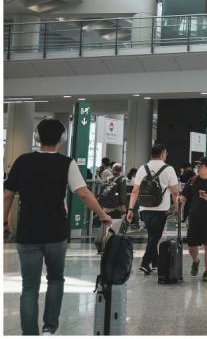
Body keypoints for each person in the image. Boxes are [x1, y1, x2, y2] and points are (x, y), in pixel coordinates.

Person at [3, 119, 113, 336]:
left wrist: (4, 221)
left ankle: (29, 333)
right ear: (62, 140)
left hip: (28, 233)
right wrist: (102, 215)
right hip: (55, 232)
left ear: (37, 137)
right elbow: (83, 193)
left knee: (29, 287)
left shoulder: (22, 161)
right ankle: (49, 328)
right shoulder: (67, 163)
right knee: (55, 279)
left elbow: (7, 194)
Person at [127, 143, 180, 275]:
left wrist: (130, 209)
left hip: (144, 208)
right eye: (166, 153)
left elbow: (135, 191)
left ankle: (155, 263)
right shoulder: (169, 169)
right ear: (162, 154)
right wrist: (177, 207)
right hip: (161, 209)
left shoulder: (142, 168)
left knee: (152, 235)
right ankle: (145, 263)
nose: (166, 156)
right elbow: (175, 192)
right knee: (155, 237)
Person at [179, 157, 207, 282]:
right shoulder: (192, 180)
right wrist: (181, 199)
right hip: (194, 217)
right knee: (191, 244)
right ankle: (196, 261)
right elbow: (185, 195)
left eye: (201, 166)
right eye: (197, 166)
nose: (198, 168)